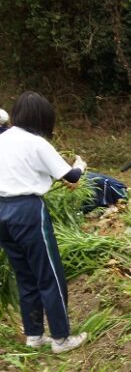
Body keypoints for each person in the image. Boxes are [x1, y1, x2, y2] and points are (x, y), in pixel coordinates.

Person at [0, 92, 90, 354]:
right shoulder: (36, 143)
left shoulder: (3, 138)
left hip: (1, 212)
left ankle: (34, 335)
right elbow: (70, 176)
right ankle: (61, 338)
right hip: (27, 211)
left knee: (24, 275)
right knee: (49, 274)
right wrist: (80, 165)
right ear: (42, 118)